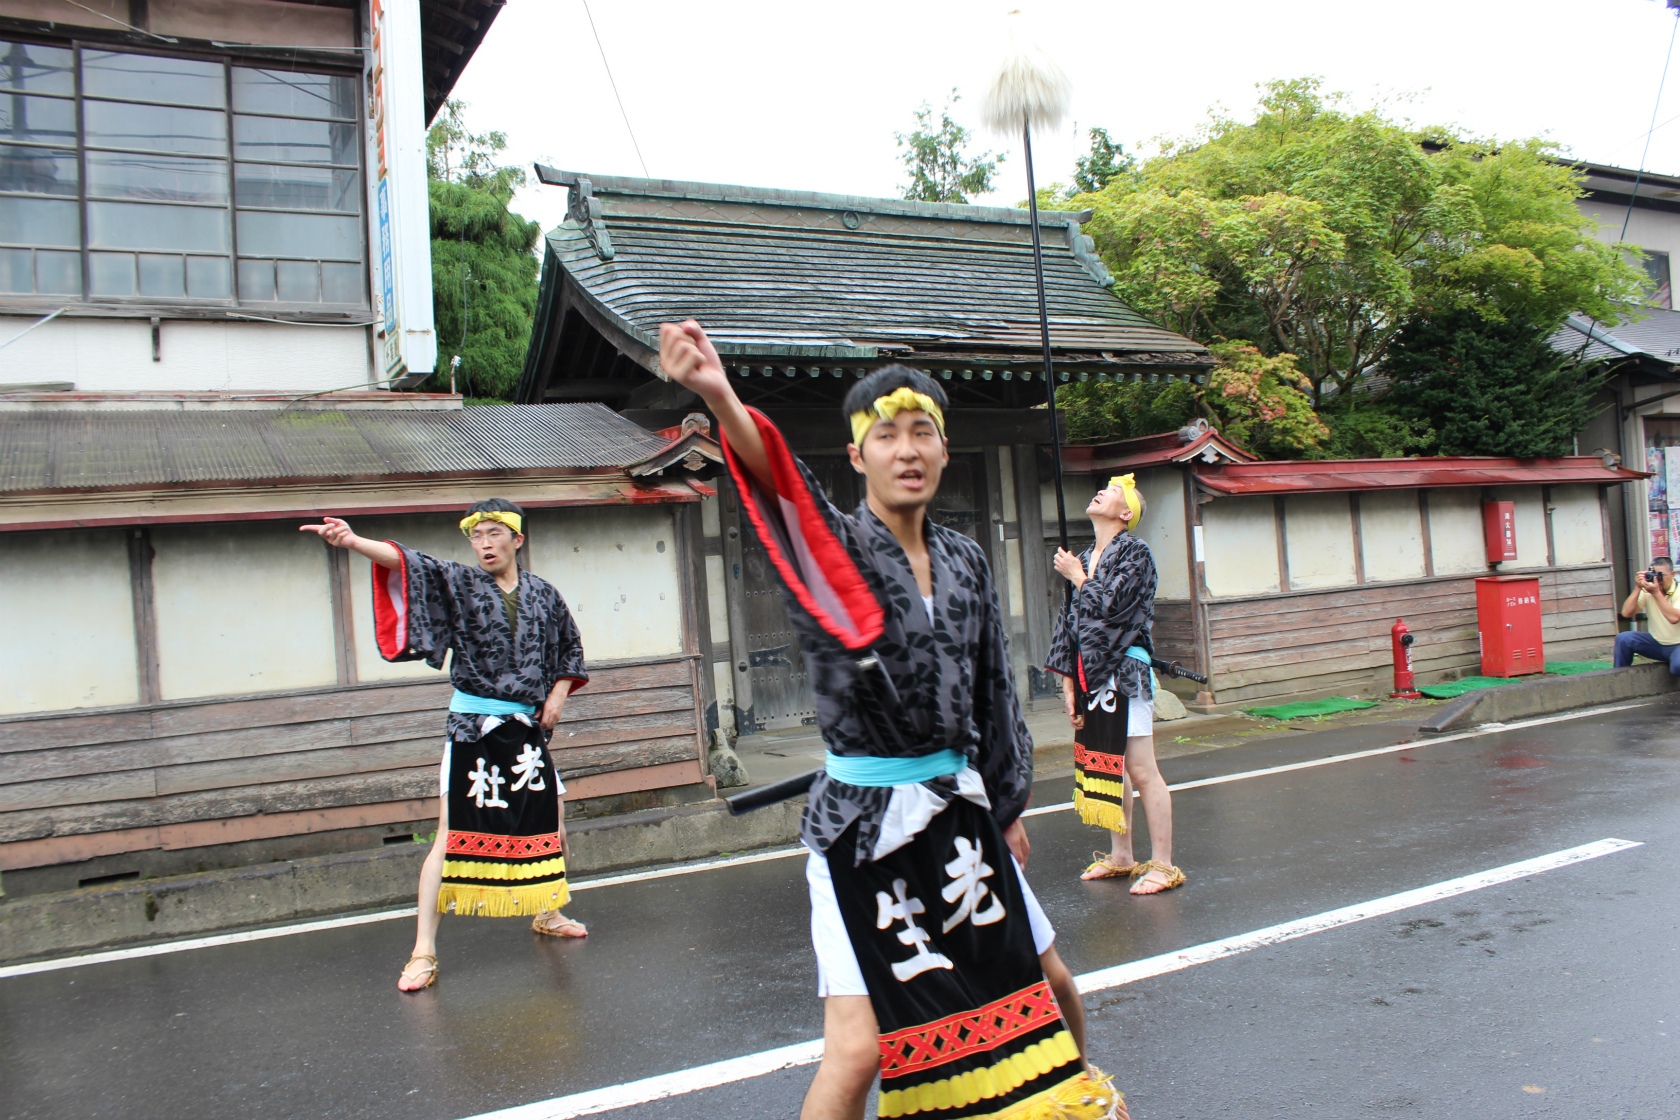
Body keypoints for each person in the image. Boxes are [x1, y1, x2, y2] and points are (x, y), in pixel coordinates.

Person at [659, 320, 1124, 1120]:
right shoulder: (833, 551)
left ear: (945, 450)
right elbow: (779, 486)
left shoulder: (968, 559)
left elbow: (993, 694)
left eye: (923, 433)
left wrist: (1006, 807)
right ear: (858, 455)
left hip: (960, 807)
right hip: (862, 825)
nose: (906, 450)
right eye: (886, 436)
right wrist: (717, 391)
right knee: (860, 1047)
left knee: (1048, 987)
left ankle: (1071, 1105)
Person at [301, 499, 590, 993]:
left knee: (550, 823)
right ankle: (423, 951)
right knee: (448, 836)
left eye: (494, 533)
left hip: (526, 729)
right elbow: (411, 563)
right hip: (473, 728)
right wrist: (352, 542)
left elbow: (571, 648)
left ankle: (547, 910)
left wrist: (559, 694)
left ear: (516, 539)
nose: (484, 544)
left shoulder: (545, 593)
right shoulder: (460, 582)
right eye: (476, 536)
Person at [1046, 476, 1184, 896]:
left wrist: (1079, 578)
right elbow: (1068, 624)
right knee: (1107, 765)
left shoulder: (1136, 553)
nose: (1102, 490)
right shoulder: (1087, 555)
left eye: (1113, 490)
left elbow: (1112, 608)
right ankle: (1121, 855)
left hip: (1125, 672)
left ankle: (1163, 863)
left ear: (1126, 514)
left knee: (1142, 768)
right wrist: (1068, 680)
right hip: (1091, 676)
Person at [1614, 556, 1680, 674]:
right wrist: (1638, 588)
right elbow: (1627, 613)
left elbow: (1674, 618)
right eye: (1654, 575)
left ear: (1673, 574)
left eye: (1661, 575)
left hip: (1678, 645)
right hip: (1657, 643)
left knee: (1677, 667)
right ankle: (1618, 678)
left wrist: (1656, 593)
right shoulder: (1648, 591)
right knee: (1623, 639)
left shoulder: (1678, 591)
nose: (1658, 580)